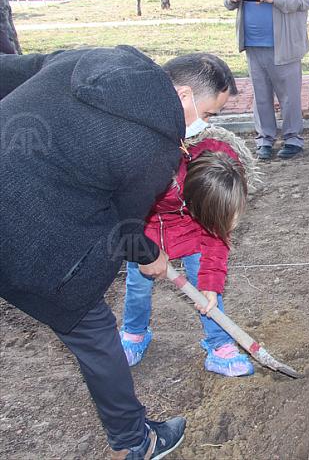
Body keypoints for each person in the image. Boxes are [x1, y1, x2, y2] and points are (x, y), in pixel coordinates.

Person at [0, 47, 237, 458]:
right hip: (26, 234)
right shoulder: (154, 150)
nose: (205, 125)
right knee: (95, 336)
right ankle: (136, 442)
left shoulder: (99, 58)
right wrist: (151, 257)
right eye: (209, 113)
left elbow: (18, 69)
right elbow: (126, 228)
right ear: (183, 96)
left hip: (26, 195)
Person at [120, 125, 259, 378]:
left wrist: (211, 284)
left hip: (192, 229)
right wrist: (141, 250)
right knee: (138, 285)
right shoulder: (151, 172)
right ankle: (134, 334)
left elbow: (216, 237)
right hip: (144, 228)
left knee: (206, 292)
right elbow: (122, 214)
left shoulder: (217, 183)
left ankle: (220, 345)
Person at [224, 0, 309, 162]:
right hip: (253, 44)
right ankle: (265, 139)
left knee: (289, 96)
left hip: (283, 45)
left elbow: (304, 0)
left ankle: (293, 139)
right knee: (260, 96)